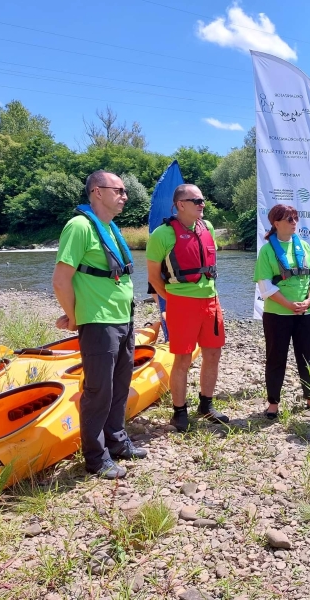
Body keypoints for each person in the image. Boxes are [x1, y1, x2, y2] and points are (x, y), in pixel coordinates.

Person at [52, 170, 147, 479]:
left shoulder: (108, 227)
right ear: (97, 192)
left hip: (123, 319)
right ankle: (96, 458)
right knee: (98, 391)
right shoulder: (79, 227)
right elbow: (61, 280)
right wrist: (75, 315)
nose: (124, 195)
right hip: (98, 323)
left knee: (119, 386)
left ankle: (117, 442)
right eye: (118, 190)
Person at [146, 183, 228, 432]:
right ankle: (179, 412)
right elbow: (153, 277)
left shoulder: (208, 228)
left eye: (203, 200)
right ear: (181, 205)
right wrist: (171, 300)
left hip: (211, 301)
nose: (203, 204)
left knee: (213, 353)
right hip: (181, 303)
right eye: (197, 201)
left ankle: (206, 405)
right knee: (182, 358)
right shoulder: (162, 235)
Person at [253, 204, 310, 419]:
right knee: (276, 358)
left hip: (306, 313)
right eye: (289, 219)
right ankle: (273, 402)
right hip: (277, 315)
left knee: (306, 357)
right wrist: (289, 305)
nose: (294, 223)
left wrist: (309, 299)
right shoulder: (267, 251)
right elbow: (265, 285)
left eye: (295, 218)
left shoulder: (304, 246)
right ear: (276, 223)